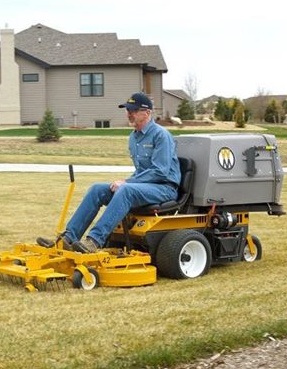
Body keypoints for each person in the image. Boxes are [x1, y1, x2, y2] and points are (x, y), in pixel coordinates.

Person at [39, 92, 181, 253]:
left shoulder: (161, 135)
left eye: (133, 110)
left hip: (164, 189)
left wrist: (127, 182)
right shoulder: (133, 138)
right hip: (146, 187)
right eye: (128, 110)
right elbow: (141, 171)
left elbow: (160, 172)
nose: (129, 113)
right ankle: (68, 238)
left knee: (125, 189)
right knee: (97, 189)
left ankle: (94, 241)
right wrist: (127, 181)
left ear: (147, 113)